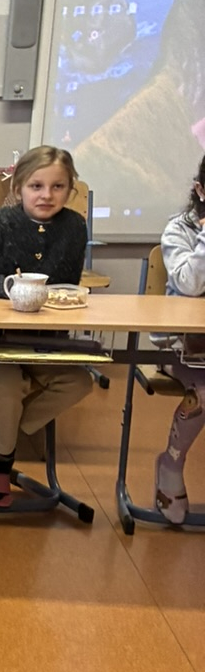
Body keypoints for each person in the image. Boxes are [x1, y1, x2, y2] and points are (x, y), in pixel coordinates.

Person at [0, 145, 92, 508]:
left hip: (41, 343)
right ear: (18, 188)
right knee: (9, 384)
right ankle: (2, 461)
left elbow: (64, 286)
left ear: (70, 190)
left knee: (79, 382)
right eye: (36, 186)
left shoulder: (74, 227)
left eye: (58, 187)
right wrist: (11, 288)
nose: (46, 195)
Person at [152, 154, 205, 525]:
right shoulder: (179, 230)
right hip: (184, 346)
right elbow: (189, 284)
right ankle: (171, 463)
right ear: (201, 190)